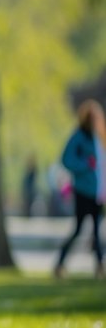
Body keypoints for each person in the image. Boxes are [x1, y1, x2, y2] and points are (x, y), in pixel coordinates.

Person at [53, 100, 106, 280]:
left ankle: (99, 266)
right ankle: (59, 263)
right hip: (83, 191)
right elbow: (66, 160)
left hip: (97, 193)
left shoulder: (97, 138)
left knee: (97, 231)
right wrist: (85, 164)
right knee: (78, 229)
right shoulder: (78, 137)